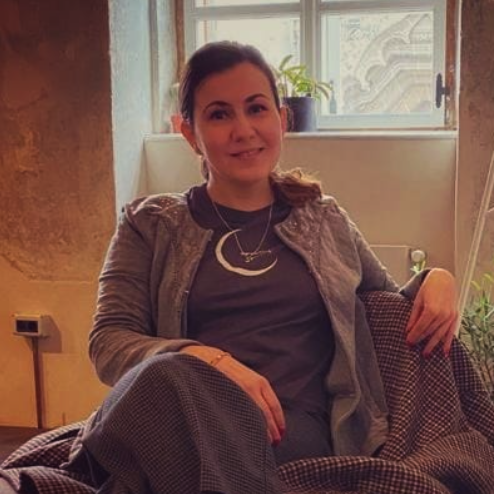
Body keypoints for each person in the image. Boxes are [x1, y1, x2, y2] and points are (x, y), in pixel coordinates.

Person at [84, 41, 458, 493]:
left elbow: (386, 301)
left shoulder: (324, 220)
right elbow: (108, 342)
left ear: (281, 120)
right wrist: (205, 361)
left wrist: (438, 279)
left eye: (256, 108)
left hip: (289, 434)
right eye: (219, 114)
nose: (243, 130)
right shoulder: (148, 225)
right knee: (167, 377)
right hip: (181, 420)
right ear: (189, 133)